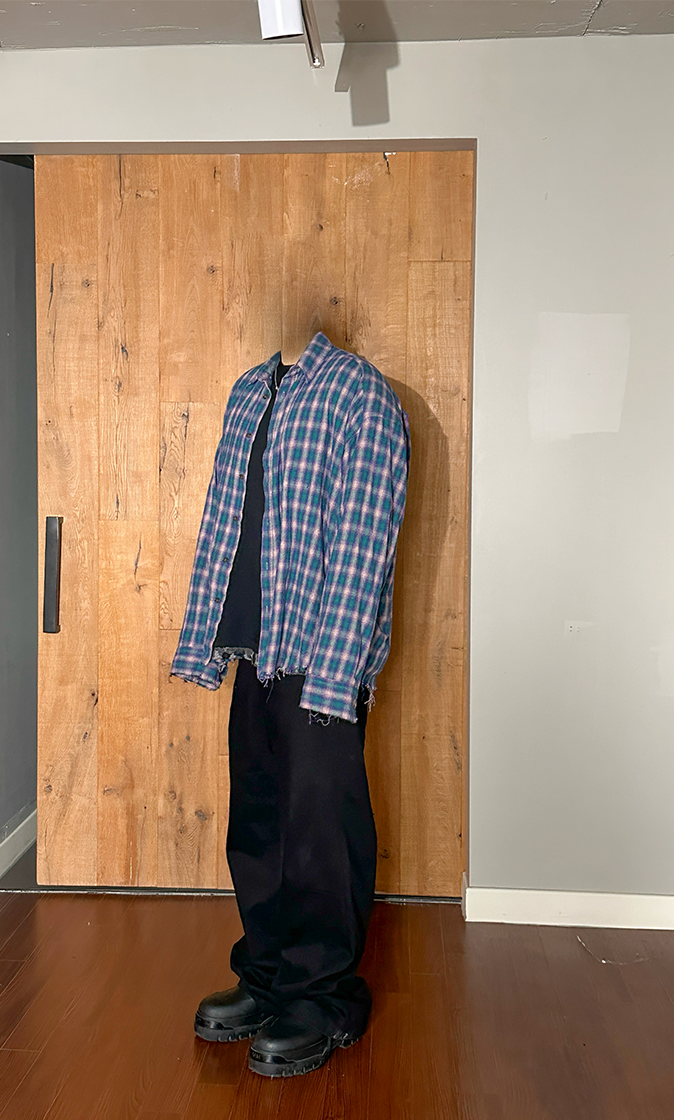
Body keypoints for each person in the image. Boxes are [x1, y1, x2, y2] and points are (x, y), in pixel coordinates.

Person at [170, 333, 411, 1077]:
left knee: (319, 833)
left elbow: (366, 541)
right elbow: (223, 523)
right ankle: (269, 978)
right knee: (259, 824)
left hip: (319, 650)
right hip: (258, 646)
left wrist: (336, 673)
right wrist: (207, 638)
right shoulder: (249, 392)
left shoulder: (359, 394)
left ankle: (324, 998)